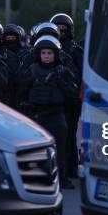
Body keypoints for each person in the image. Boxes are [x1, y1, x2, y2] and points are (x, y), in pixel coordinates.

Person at [19, 35, 78, 189]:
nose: (46, 56)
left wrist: (61, 81)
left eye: (50, 53)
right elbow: (21, 90)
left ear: (56, 54)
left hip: (56, 114)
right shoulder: (32, 70)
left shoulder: (62, 71)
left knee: (60, 149)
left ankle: (62, 178)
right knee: (33, 150)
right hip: (36, 115)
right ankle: (33, 178)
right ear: (38, 54)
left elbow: (73, 93)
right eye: (44, 53)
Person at [51, 13, 84, 178]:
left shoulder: (75, 50)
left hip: (71, 98)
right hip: (54, 98)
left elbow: (82, 75)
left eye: (64, 29)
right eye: (58, 29)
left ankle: (71, 168)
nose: (61, 31)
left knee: (70, 134)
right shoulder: (47, 48)